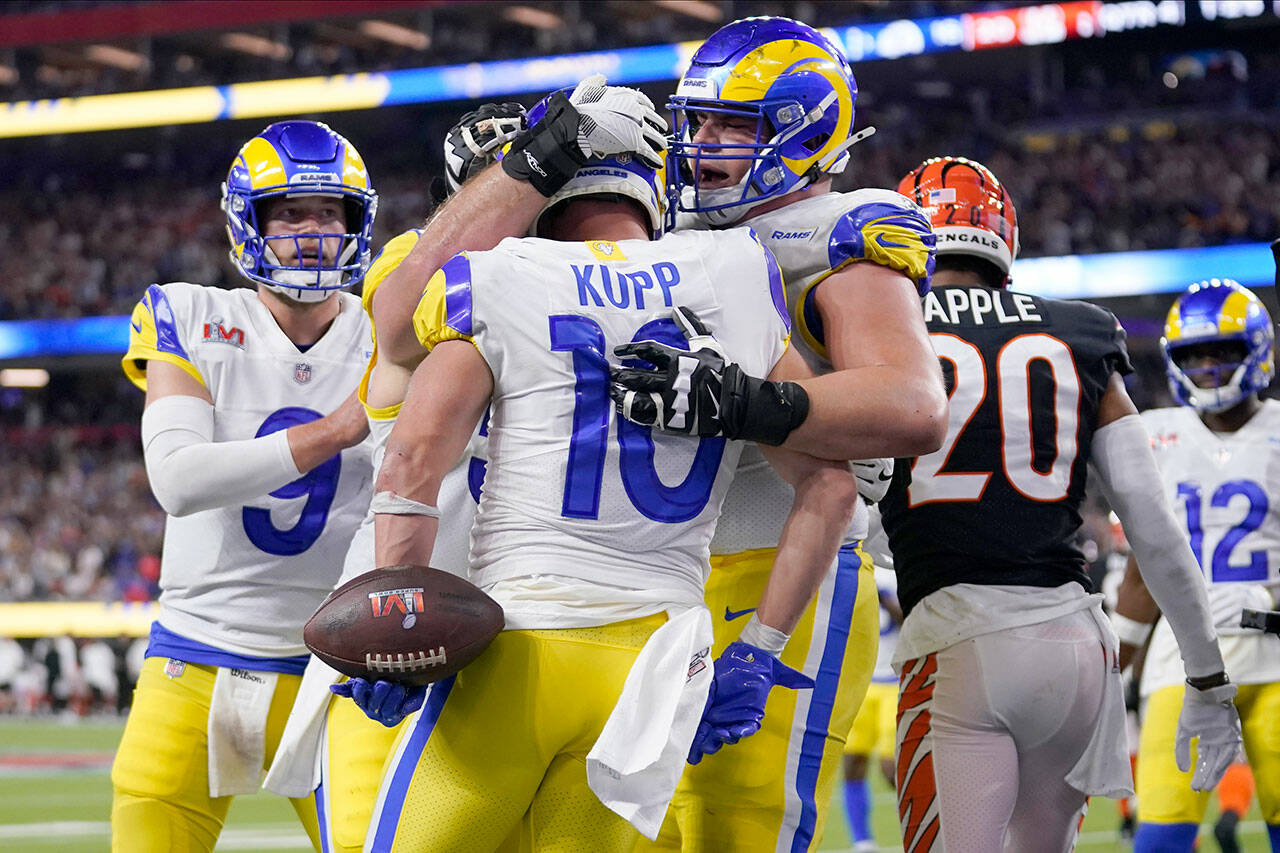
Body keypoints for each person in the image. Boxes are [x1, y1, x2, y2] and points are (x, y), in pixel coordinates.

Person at [353, 106, 864, 850]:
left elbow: (410, 462)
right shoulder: (735, 273)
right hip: (656, 664)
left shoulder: (496, 273)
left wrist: (391, 620)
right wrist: (757, 649)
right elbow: (832, 485)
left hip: (525, 643)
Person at [262, 78, 671, 853]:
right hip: (405, 640)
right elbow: (405, 316)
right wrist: (538, 158)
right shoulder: (414, 274)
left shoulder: (608, 301)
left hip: (535, 651)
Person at [607, 17, 947, 851]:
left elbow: (913, 403)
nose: (703, 144)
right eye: (698, 121)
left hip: (788, 568)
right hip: (663, 571)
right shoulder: (674, 234)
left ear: (806, 130)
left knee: (740, 829)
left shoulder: (836, 230)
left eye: (735, 124)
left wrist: (744, 401)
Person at [871, 156, 1242, 853]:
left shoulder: (882, 329)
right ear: (1003, 237)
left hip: (955, 646)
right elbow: (1155, 528)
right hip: (1072, 653)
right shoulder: (1079, 331)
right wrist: (1207, 676)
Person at [110, 120, 378, 852]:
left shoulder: (391, 329)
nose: (315, 231)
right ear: (250, 222)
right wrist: (336, 430)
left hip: (338, 669)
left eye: (330, 212)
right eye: (290, 211)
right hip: (194, 656)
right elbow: (178, 478)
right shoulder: (189, 314)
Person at [1111, 277, 1279, 852]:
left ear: (1257, 351)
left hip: (1277, 657)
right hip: (1181, 665)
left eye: (1224, 352)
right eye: (1195, 356)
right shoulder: (1153, 436)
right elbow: (1141, 572)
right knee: (1158, 836)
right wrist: (1110, 678)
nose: (1208, 368)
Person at [842, 525, 901, 853]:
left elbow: (909, 621)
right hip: (862, 683)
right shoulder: (854, 570)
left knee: (893, 770)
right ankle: (862, 842)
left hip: (894, 681)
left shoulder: (897, 573)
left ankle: (923, 831)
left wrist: (884, 598)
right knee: (853, 763)